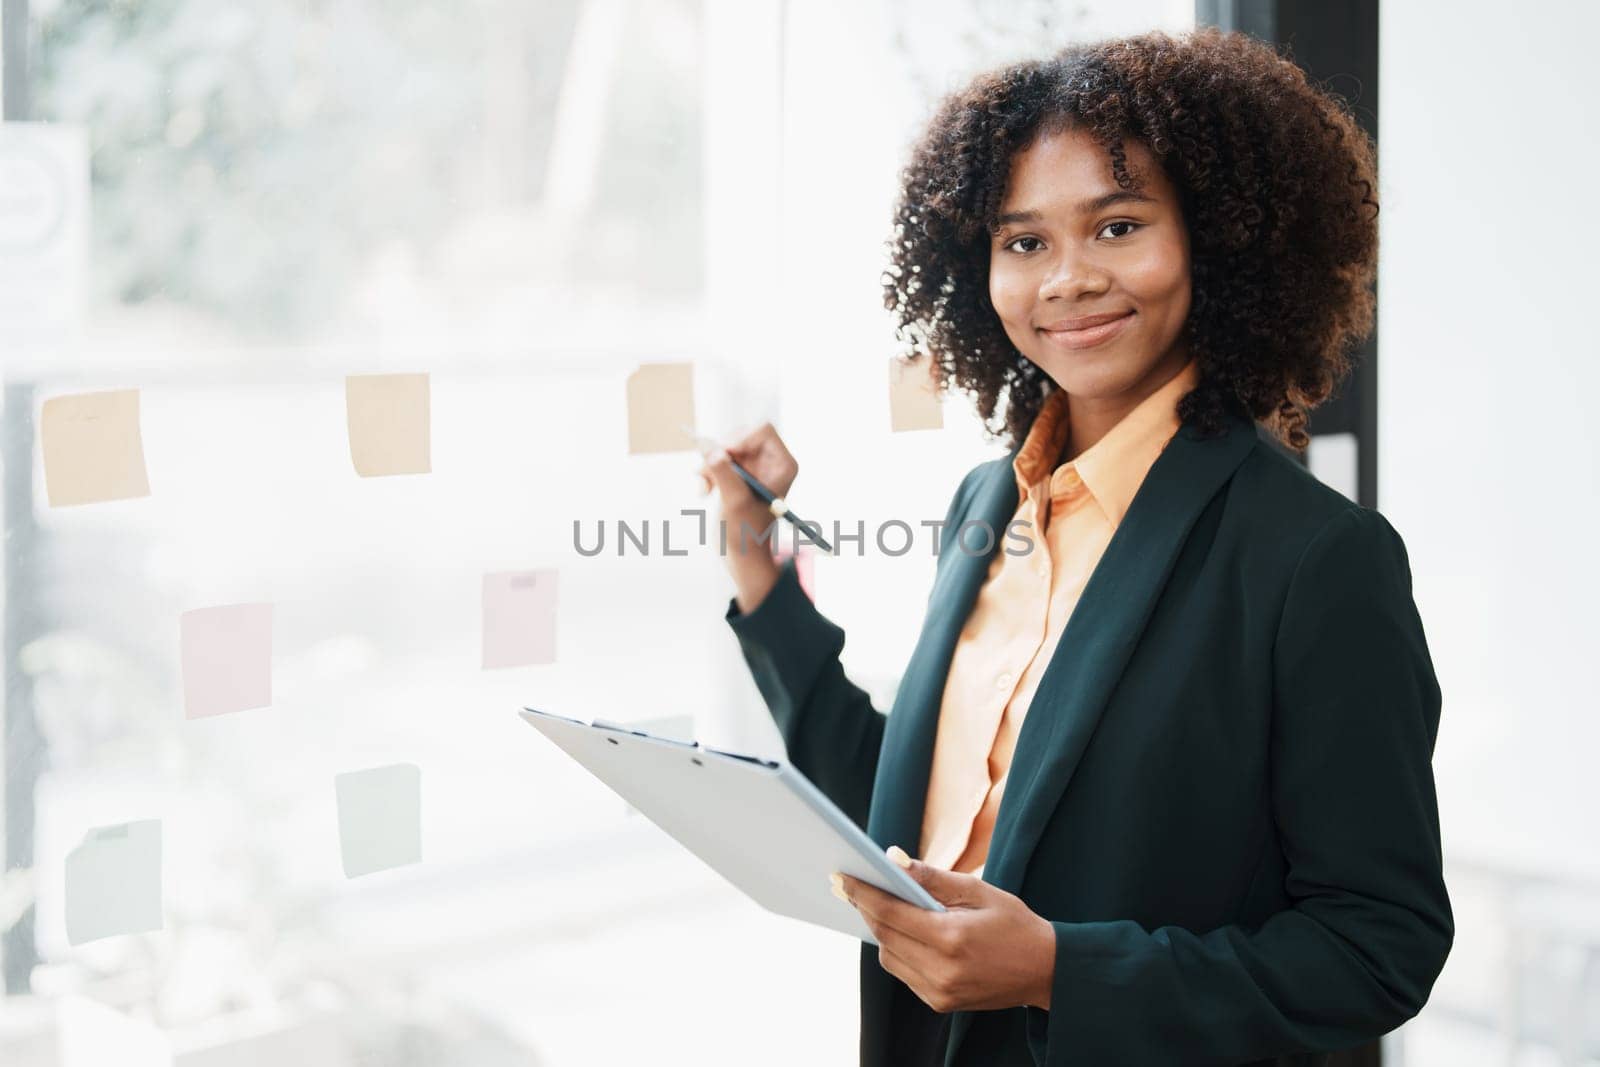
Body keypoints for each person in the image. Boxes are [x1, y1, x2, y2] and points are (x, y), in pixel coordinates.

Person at [697, 26, 1450, 1067]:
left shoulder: (1315, 558)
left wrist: (1058, 967)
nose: (1067, 280)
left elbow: (1378, 947)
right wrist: (757, 570)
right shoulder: (985, 504)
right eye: (1024, 242)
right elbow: (917, 812)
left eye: (1118, 225)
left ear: (1219, 241)